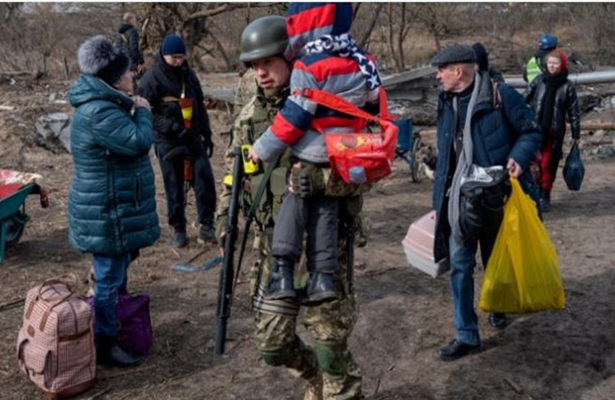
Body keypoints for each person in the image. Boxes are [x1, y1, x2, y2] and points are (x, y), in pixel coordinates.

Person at [217, 14, 365, 399]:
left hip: (323, 244)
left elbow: (365, 171)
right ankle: (314, 375)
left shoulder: (327, 106)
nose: (261, 73)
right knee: (272, 344)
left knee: (330, 343)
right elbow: (234, 172)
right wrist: (224, 217)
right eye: (254, 65)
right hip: (271, 244)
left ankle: (339, 386)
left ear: (291, 57)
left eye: (268, 63)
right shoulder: (249, 116)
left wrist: (320, 182)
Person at [250, 2, 381, 305]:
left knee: (295, 203)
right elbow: (374, 103)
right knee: (326, 211)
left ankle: (283, 269)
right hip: (346, 152)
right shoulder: (363, 61)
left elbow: (293, 120)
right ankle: (322, 278)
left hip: (311, 150)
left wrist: (262, 148)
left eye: (268, 63)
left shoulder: (307, 67)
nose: (261, 73)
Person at [431, 44, 542, 361]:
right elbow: (446, 157)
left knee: (496, 260)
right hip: (458, 201)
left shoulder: (501, 95)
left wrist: (518, 157)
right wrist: (439, 200)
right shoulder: (445, 101)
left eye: (441, 70)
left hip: (495, 197)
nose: (437, 76)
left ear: (459, 71)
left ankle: (498, 305)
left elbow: (531, 130)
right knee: (461, 267)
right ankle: (466, 335)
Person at [69, 35, 160, 367]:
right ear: (115, 78)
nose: (133, 76)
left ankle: (112, 316)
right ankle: (104, 342)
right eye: (128, 73)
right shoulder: (99, 112)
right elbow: (138, 141)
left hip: (112, 205)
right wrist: (143, 112)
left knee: (115, 267)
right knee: (108, 275)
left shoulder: (105, 104)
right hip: (105, 209)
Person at [138, 34, 217, 248]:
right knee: (173, 185)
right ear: (164, 55)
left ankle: (207, 225)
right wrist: (172, 128)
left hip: (193, 138)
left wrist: (207, 135)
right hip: (168, 141)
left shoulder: (189, 76)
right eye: (174, 57)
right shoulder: (151, 79)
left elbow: (199, 106)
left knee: (204, 181)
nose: (179, 61)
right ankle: (179, 228)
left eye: (182, 57)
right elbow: (146, 113)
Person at [524, 49, 581, 212]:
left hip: (553, 133)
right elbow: (523, 99)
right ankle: (534, 193)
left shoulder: (567, 86)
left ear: (561, 64)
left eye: (555, 63)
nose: (552, 66)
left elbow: (574, 112)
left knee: (548, 164)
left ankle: (545, 194)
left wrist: (576, 134)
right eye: (550, 63)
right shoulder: (538, 81)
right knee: (533, 163)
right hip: (535, 129)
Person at [115, 12, 145, 78]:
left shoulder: (119, 33)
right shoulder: (132, 31)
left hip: (121, 63)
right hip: (131, 63)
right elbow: (134, 48)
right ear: (131, 20)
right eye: (134, 19)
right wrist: (140, 62)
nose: (135, 21)